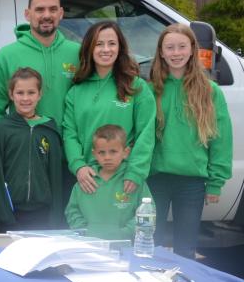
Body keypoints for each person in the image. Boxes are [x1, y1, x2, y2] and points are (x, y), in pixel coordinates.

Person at [148, 24, 233, 259]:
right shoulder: (150, 90)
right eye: (170, 48)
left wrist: (216, 181)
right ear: (161, 52)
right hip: (155, 179)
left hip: (192, 182)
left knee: (185, 249)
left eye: (182, 47)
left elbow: (220, 138)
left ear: (193, 49)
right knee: (149, 244)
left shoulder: (209, 91)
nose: (176, 53)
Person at [62, 22, 156, 199]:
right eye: (99, 44)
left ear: (120, 47)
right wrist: (79, 166)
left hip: (124, 178)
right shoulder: (76, 91)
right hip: (88, 178)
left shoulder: (136, 87)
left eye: (112, 43)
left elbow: (146, 133)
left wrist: (135, 171)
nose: (106, 49)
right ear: (89, 48)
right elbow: (70, 133)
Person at [0, 0, 80, 127]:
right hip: (25, 146)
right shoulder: (6, 56)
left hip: (67, 145)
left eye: (53, 9)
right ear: (27, 14)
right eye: (39, 10)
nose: (47, 15)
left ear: (61, 13)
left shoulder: (78, 53)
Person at [0, 68, 65, 230]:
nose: (25, 98)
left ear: (40, 94)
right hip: (11, 214)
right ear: (11, 94)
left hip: (43, 215)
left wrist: (55, 218)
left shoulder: (49, 129)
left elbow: (56, 176)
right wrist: (5, 216)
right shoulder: (1, 129)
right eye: (20, 93)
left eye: (31, 92)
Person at [65, 125, 152, 240]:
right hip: (90, 245)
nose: (107, 157)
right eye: (102, 152)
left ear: (125, 152)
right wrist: (85, 232)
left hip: (126, 246)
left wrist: (125, 233)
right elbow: (72, 211)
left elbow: (148, 214)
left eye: (113, 151)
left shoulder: (133, 182)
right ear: (94, 153)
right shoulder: (85, 181)